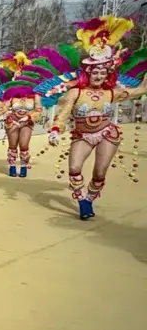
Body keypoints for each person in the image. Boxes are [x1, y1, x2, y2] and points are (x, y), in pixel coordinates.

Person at [48, 17, 147, 220]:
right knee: (74, 168)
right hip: (83, 135)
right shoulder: (76, 92)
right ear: (88, 72)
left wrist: (144, 87)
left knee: (99, 172)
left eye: (103, 71)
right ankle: (82, 200)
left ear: (108, 74)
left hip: (106, 134)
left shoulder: (112, 92)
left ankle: (90, 198)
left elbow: (135, 92)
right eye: (95, 71)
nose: (99, 75)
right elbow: (65, 112)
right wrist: (56, 129)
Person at [0, 53, 44, 178]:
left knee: (24, 145)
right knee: (13, 145)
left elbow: (39, 110)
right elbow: (3, 107)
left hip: (27, 123)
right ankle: (12, 166)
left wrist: (29, 117)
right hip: (12, 122)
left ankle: (23, 166)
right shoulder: (11, 96)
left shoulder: (35, 96)